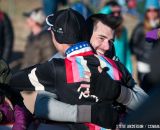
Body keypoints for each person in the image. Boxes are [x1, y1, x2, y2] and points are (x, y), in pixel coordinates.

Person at [1, 9, 148, 130]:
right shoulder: (58, 62)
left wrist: (120, 92)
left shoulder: (115, 65)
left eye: (111, 41)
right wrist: (88, 113)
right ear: (85, 35)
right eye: (101, 38)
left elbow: (146, 104)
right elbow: (42, 105)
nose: (107, 47)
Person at [130, 0, 160, 84]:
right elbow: (132, 45)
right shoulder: (140, 27)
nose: (152, 13)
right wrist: (144, 54)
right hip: (144, 67)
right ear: (146, 12)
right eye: (149, 10)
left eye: (155, 10)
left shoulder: (157, 26)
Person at [99, 1, 133, 73]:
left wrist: (129, 71)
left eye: (118, 12)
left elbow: (126, 52)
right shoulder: (102, 30)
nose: (116, 15)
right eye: (113, 13)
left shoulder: (123, 30)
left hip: (120, 70)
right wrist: (109, 9)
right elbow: (99, 16)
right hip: (107, 69)